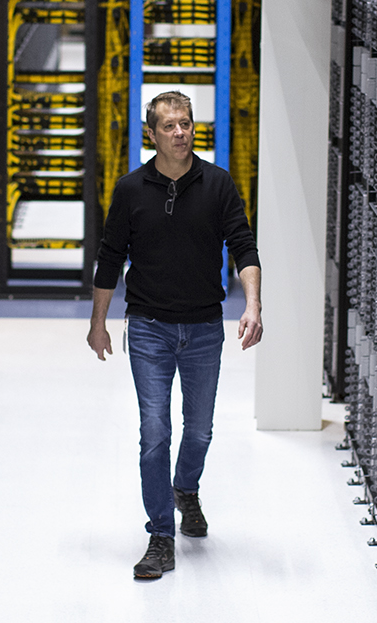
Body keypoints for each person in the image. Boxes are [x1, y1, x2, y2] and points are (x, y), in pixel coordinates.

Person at [88, 90, 262, 580]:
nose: (181, 132)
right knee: (154, 433)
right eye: (169, 126)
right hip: (148, 329)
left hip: (205, 327)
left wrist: (253, 304)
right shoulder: (129, 190)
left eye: (185, 123)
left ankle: (186, 488)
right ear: (151, 134)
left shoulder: (219, 184)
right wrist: (98, 322)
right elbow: (109, 258)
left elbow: (243, 247)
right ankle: (161, 534)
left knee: (200, 429)